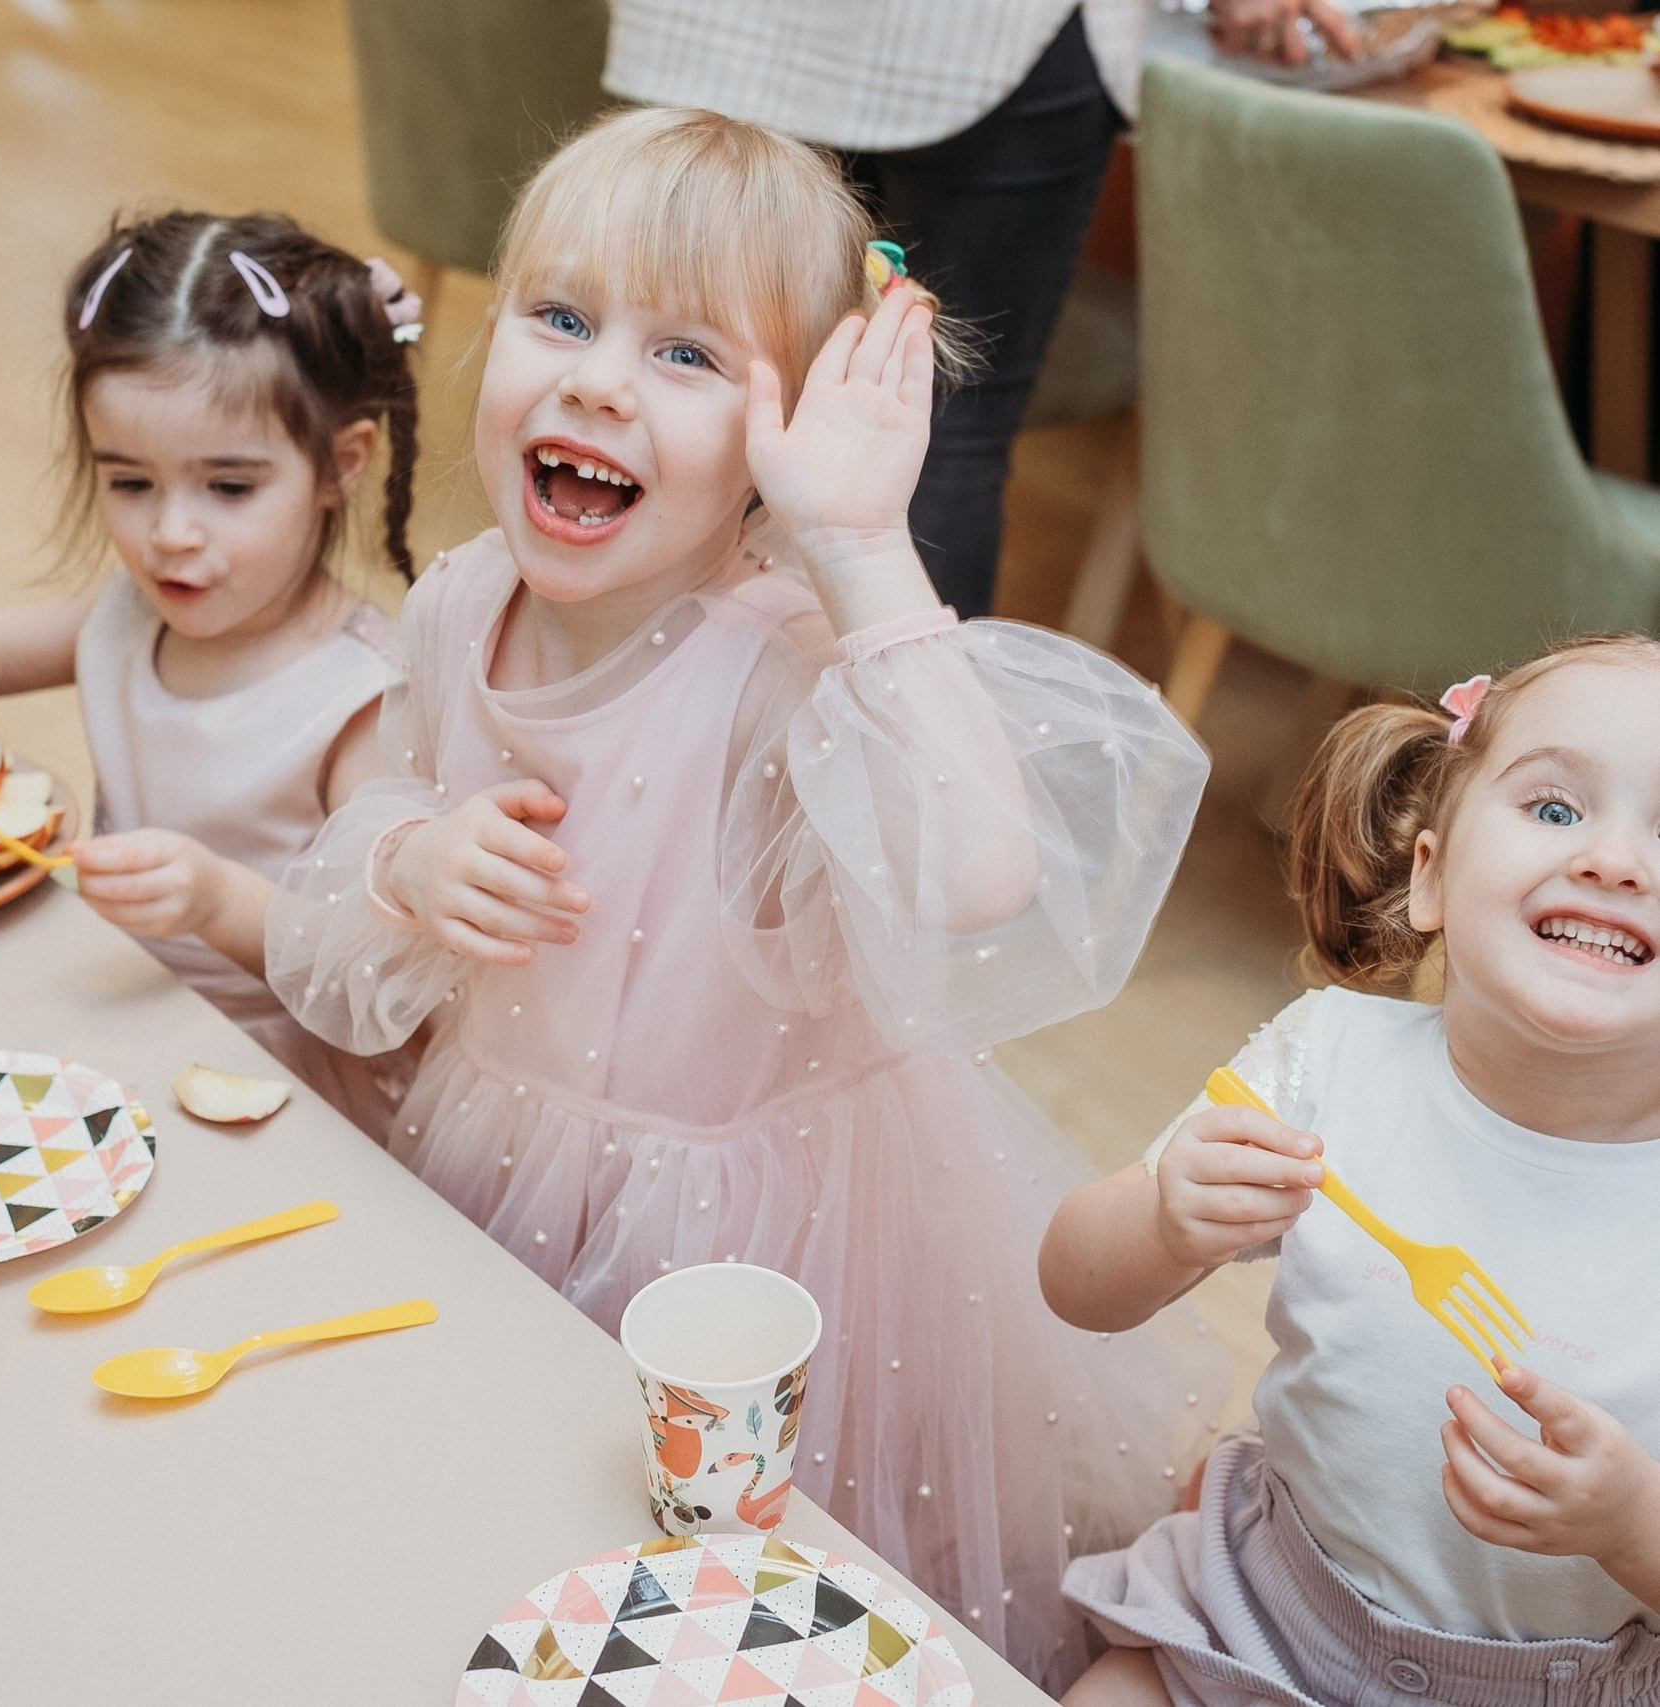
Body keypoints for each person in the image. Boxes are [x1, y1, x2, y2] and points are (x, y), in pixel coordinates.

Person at [267, 108, 1225, 1690]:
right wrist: (409, 860)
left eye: (687, 355)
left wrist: (858, 548)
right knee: (515, 1511)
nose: (594, 380)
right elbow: (376, 829)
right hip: (502, 1155)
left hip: (766, 1259)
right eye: (560, 318)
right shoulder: (455, 605)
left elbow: (978, 873)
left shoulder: (780, 666)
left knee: (732, 1611)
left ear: (784, 445)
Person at [1043, 637, 1660, 1706]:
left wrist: (1630, 1526)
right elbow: (1072, 1286)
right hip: (1260, 1614)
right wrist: (1162, 1222)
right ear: (1427, 875)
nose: (1611, 860)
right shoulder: (1326, 1061)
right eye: (1554, 809)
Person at [600, 0, 1359, 619]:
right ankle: (893, 786)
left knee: (695, 376)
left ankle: (617, 737)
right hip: (971, 40)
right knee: (937, 427)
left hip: (730, 29)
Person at [0, 211, 422, 1137]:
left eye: (229, 487)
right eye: (130, 483)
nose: (171, 533)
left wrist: (218, 900)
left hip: (273, 1085)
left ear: (341, 463)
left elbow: (381, 974)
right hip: (114, 1013)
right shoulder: (131, 612)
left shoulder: (356, 700)